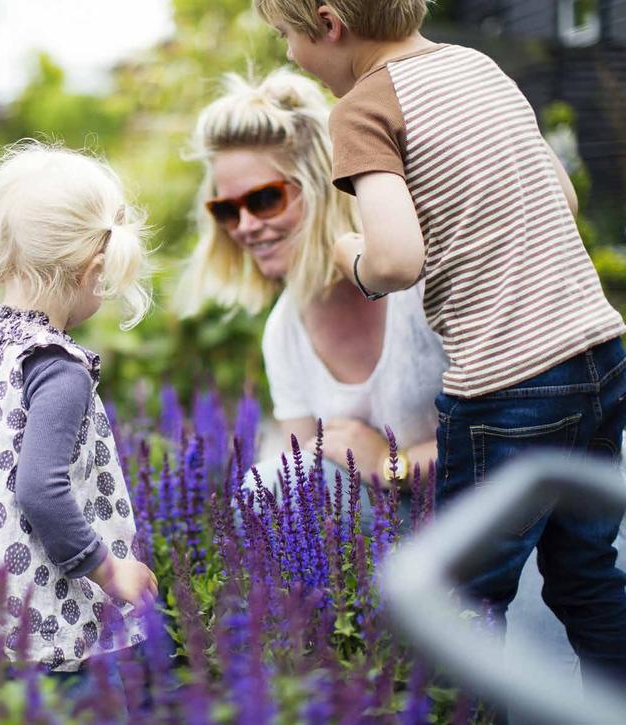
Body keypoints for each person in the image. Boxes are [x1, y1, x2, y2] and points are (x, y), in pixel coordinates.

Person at [255, 0, 626, 683]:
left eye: (286, 36)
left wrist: (348, 252)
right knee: (586, 571)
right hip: (600, 351)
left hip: (512, 381)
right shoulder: (477, 66)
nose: (287, 55)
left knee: (458, 595)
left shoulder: (361, 110)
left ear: (330, 24)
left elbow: (397, 261)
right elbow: (563, 201)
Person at [0, 142, 158, 683]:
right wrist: (110, 571)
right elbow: (41, 489)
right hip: (46, 626)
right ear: (92, 268)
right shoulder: (58, 370)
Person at [177, 68, 448, 524]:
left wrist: (389, 464)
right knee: (267, 495)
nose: (244, 226)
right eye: (227, 209)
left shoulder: (419, 281)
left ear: (323, 188)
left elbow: (517, 434)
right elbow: (301, 477)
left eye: (264, 200)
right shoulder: (285, 333)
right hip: (390, 529)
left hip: (499, 515)